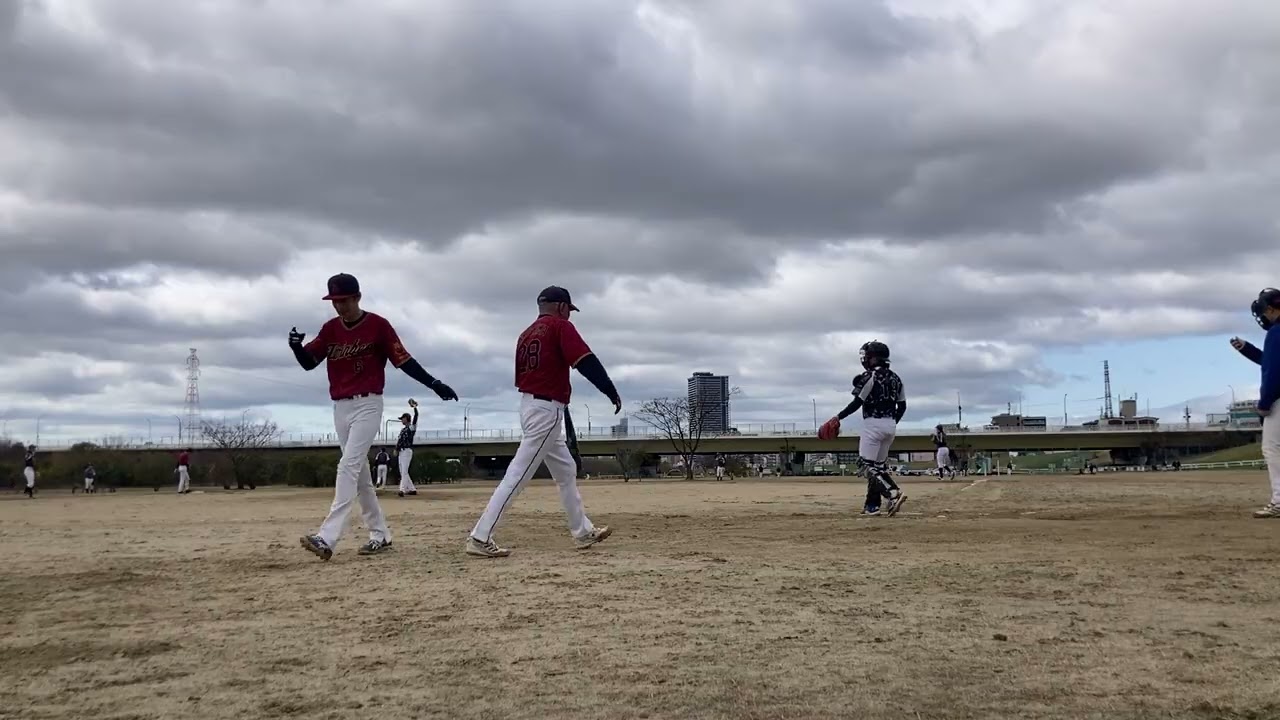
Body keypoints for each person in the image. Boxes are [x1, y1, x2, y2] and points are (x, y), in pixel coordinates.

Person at [290, 273, 458, 560]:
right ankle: (380, 534)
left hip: (368, 403)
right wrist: (296, 347)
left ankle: (327, 537)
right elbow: (309, 362)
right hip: (340, 406)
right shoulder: (330, 329)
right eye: (334, 301)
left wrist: (434, 384)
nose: (339, 306)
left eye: (343, 300)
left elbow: (404, 361)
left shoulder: (378, 326)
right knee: (360, 477)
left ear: (357, 297)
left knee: (348, 465)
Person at [466, 286, 621, 558]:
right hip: (546, 409)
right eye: (569, 310)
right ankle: (480, 536)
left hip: (530, 404)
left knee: (566, 470)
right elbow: (585, 361)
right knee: (517, 474)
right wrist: (609, 388)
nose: (570, 315)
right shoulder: (560, 327)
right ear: (562, 307)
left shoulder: (525, 334)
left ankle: (583, 531)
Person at [819, 340, 908, 517]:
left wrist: (838, 417)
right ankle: (872, 506)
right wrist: (891, 423)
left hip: (873, 424)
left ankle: (892, 492)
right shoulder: (896, 378)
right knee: (878, 467)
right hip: (890, 424)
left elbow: (857, 402)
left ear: (872, 358)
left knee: (866, 466)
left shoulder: (869, 376)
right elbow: (903, 406)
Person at [1244, 288, 1280, 518]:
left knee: (1272, 448)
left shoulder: (1276, 332)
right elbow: (1269, 360)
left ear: (1269, 309)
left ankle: (1279, 500)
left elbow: (1273, 370)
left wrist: (1264, 402)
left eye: (1263, 312)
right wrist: (1248, 350)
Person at [395, 399, 419, 497]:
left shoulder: (411, 428)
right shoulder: (403, 430)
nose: (401, 420)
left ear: (406, 419)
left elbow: (416, 417)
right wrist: (396, 449)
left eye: (402, 418)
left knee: (404, 471)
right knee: (403, 471)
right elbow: (400, 441)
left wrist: (415, 408)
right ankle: (412, 489)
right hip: (401, 451)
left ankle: (402, 490)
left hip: (407, 451)